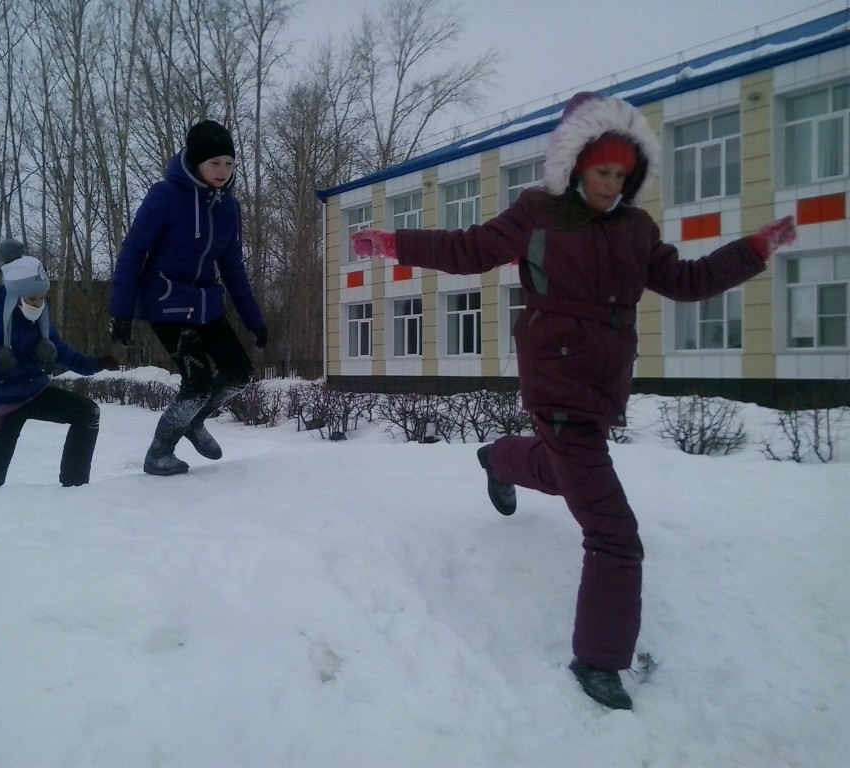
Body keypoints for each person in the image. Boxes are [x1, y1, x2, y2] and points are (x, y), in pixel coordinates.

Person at [351, 91, 797, 710]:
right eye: (601, 171)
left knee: (567, 472)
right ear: (576, 165)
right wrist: (392, 244)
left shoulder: (637, 230)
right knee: (614, 533)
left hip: (603, 383)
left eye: (621, 174)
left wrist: (753, 250)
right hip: (556, 377)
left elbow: (687, 281)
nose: (611, 184)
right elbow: (466, 250)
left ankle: (500, 458)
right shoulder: (538, 215)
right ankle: (598, 660)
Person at [108, 119, 268, 476]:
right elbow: (133, 252)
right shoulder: (164, 196)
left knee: (239, 373)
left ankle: (193, 422)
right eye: (215, 163)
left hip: (206, 304)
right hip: (166, 302)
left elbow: (233, 267)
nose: (223, 171)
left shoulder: (229, 208)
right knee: (197, 383)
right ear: (195, 162)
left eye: (229, 163)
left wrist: (254, 319)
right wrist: (120, 311)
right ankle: (159, 454)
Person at [0, 239, 120, 499]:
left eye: (42, 297)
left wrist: (96, 363)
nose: (38, 303)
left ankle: (75, 491)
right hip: (1, 406)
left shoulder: (40, 317)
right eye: (32, 298)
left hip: (33, 392)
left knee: (87, 413)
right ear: (16, 296)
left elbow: (62, 351)